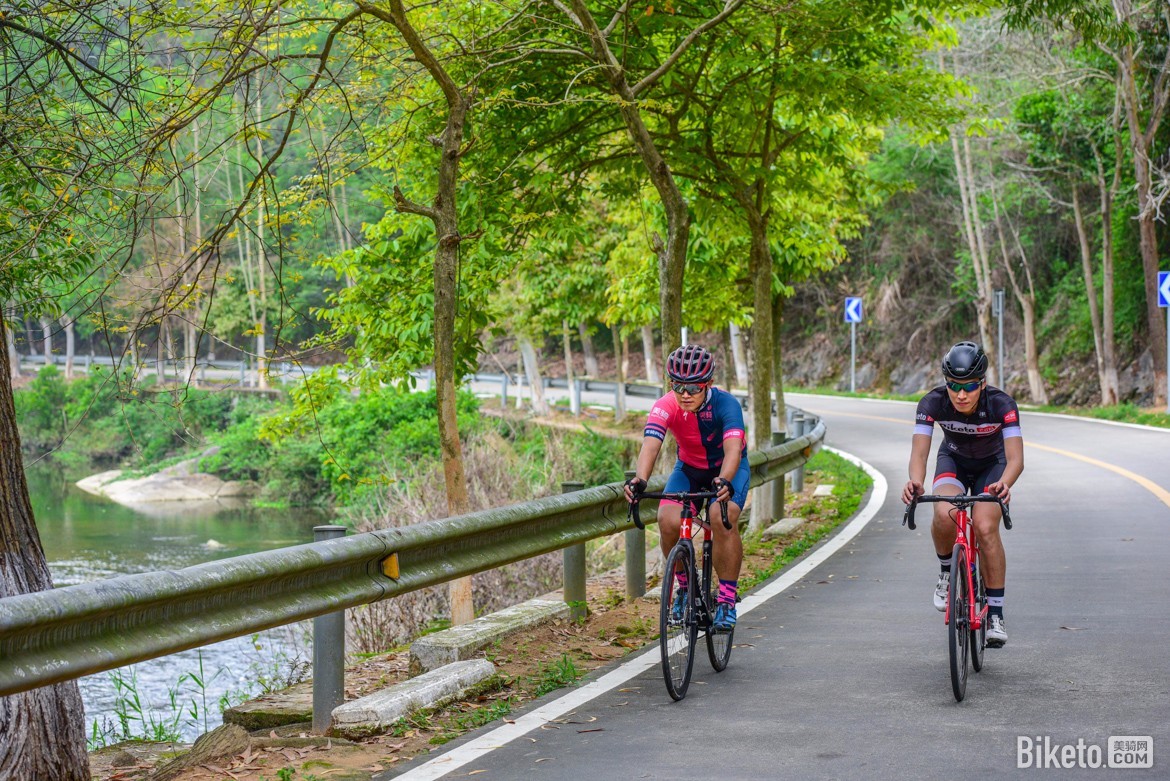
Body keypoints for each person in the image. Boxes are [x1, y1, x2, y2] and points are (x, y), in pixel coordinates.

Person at [901, 341, 1023, 647]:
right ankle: (946, 573)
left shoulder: (1002, 404)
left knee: (983, 526)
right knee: (944, 512)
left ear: (982, 382)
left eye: (969, 386)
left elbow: (1016, 459)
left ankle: (995, 613)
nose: (961, 394)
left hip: (992, 467)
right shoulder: (932, 403)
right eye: (954, 385)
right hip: (953, 459)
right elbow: (919, 454)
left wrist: (1005, 483)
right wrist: (915, 482)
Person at [623, 344, 749, 632]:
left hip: (728, 470)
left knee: (721, 515)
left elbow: (732, 451)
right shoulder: (665, 405)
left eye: (694, 387)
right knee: (667, 518)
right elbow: (650, 446)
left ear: (709, 385)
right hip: (689, 470)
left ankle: (727, 600)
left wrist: (725, 480)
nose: (685, 394)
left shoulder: (727, 405)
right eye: (678, 386)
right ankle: (684, 589)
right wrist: (640, 480)